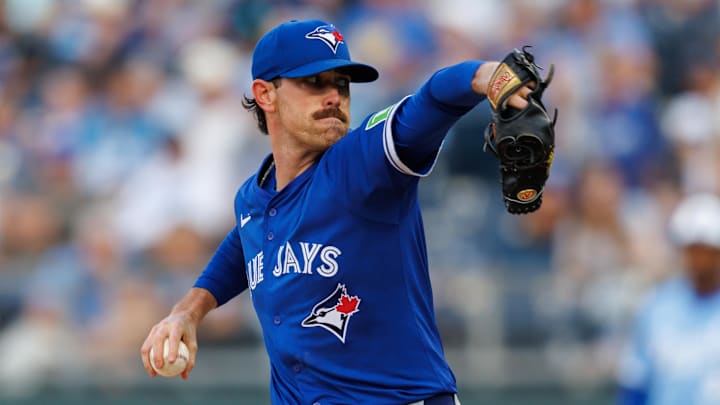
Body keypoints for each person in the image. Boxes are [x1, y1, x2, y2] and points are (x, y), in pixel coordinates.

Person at [141, 19, 536, 405]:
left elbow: (430, 100)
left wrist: (486, 77)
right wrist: (188, 312)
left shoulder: (361, 164)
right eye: (314, 82)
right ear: (265, 94)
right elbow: (246, 245)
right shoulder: (253, 198)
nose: (334, 96)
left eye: (341, 84)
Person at [617, 193, 720, 405]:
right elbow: (635, 383)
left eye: (708, 251)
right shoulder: (656, 307)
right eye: (693, 250)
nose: (700, 259)